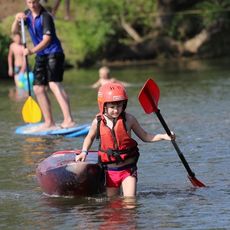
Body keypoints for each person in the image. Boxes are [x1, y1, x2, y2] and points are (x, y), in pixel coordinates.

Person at [76, 82, 175, 198]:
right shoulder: (97, 122)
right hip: (110, 171)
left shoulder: (129, 120)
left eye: (119, 106)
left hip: (128, 170)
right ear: (103, 106)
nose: (116, 110)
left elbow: (145, 136)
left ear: (124, 104)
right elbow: (89, 137)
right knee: (113, 205)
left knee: (130, 202)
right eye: (112, 107)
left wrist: (163, 136)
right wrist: (84, 152)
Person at [11, 0, 75, 130]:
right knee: (38, 89)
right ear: (26, 2)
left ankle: (69, 120)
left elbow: (47, 39)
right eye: (29, 2)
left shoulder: (46, 17)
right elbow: (14, 31)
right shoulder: (26, 15)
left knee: (53, 84)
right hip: (41, 56)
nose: (32, 5)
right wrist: (16, 19)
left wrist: (31, 51)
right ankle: (49, 122)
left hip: (54, 53)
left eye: (34, 2)